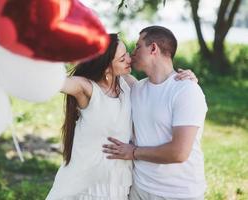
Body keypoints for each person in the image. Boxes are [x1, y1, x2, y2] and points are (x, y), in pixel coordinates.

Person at [46, 33, 197, 200]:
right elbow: (53, 81)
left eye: (127, 52)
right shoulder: (86, 88)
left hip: (118, 185)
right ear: (106, 67)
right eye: (122, 58)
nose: (129, 58)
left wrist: (187, 80)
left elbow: (159, 87)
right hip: (86, 185)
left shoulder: (129, 86)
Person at [103, 26, 208, 200]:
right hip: (139, 189)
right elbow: (107, 65)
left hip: (178, 193)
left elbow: (179, 152)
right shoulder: (136, 88)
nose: (132, 52)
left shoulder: (186, 91)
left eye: (137, 46)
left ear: (153, 48)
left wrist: (133, 152)